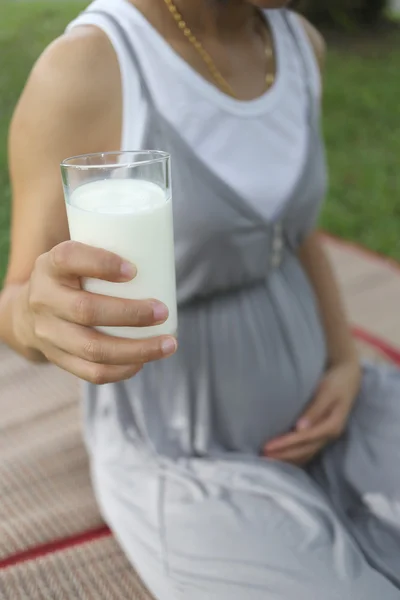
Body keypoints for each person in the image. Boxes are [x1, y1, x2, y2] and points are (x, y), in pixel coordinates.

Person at [1, 0, 399, 597]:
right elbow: (18, 300)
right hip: (186, 448)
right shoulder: (89, 68)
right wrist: (37, 320)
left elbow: (292, 233)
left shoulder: (296, 45)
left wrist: (343, 361)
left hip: (330, 399)